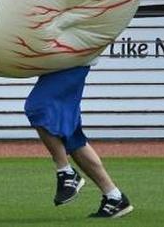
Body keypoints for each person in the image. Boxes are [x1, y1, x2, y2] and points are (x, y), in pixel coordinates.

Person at [25, 63, 134, 218]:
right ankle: (114, 197)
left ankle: (66, 172)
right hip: (63, 62)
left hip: (73, 60)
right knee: (72, 135)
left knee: (37, 107)